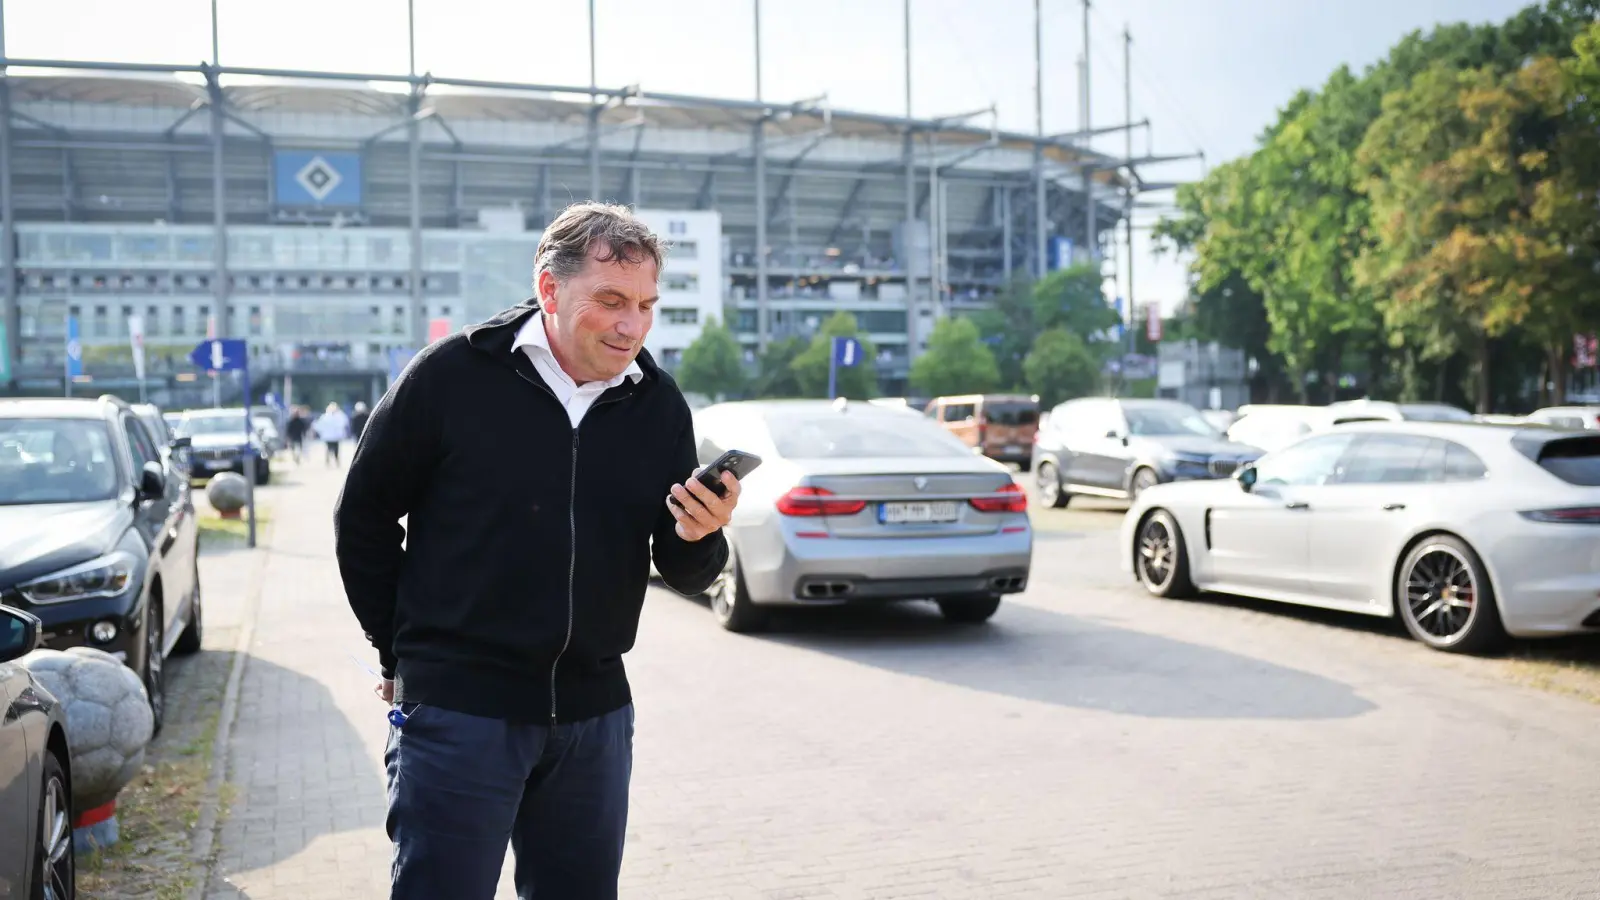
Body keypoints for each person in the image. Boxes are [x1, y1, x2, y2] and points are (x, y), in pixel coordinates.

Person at [333, 201, 736, 900]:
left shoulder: (658, 405)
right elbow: (362, 517)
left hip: (596, 719)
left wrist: (701, 534)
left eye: (645, 305)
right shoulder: (451, 376)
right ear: (550, 290)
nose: (631, 325)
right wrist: (398, 654)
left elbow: (682, 567)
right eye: (611, 301)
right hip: (461, 713)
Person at [312, 401, 351, 467]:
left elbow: (344, 423)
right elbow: (319, 426)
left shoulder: (338, 416)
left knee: (334, 449)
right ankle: (329, 461)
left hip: (334, 436)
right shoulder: (326, 417)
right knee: (330, 449)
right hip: (330, 436)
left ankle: (334, 461)